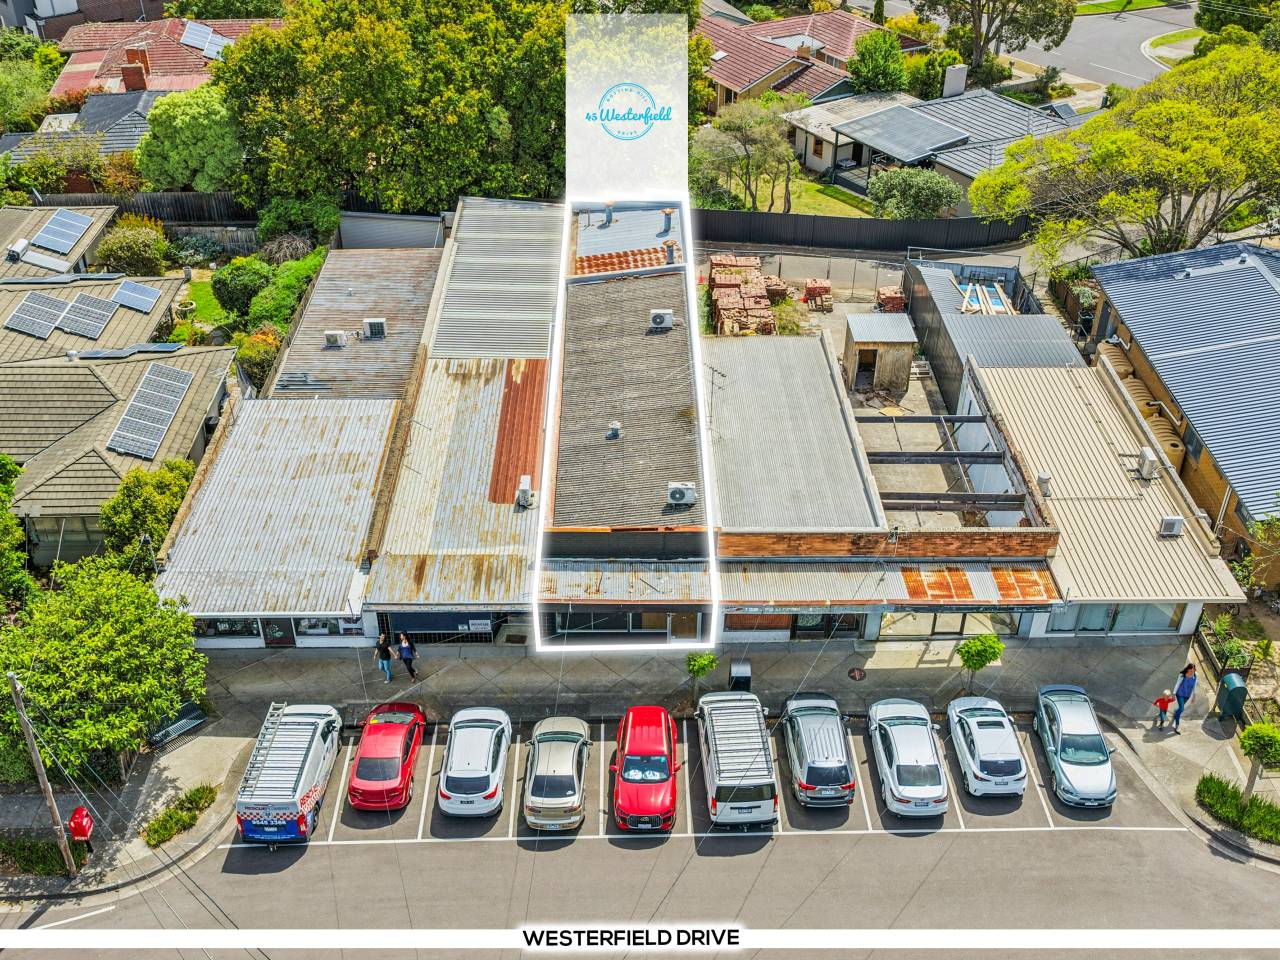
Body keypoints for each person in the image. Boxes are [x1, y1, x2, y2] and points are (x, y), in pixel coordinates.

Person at [1172, 663, 1197, 733]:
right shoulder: (1182, 675)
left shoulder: (1195, 675)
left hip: (1187, 695)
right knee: (1182, 708)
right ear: (1188, 669)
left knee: (1180, 709)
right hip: (1180, 694)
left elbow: (1194, 686)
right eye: (1191, 671)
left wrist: (1194, 696)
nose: (1192, 672)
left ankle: (1176, 713)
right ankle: (1177, 725)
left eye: (1193, 671)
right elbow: (1177, 684)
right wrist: (1174, 694)